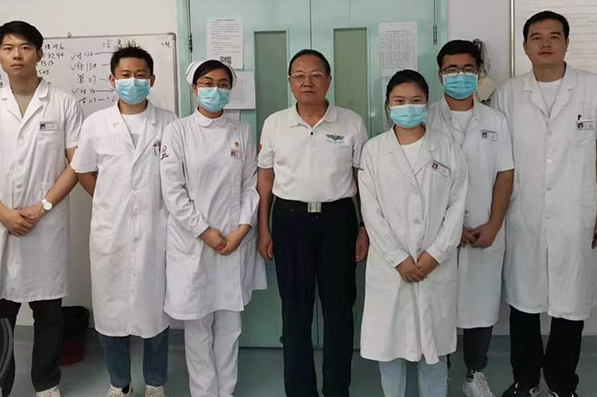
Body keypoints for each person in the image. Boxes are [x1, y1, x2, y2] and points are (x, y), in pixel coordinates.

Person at [492, 11, 597, 397]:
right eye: (536, 37)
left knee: (571, 302)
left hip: (574, 213)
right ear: (525, 46)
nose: (545, 43)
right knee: (523, 301)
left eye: (554, 36)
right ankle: (526, 380)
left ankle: (563, 383)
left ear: (567, 43)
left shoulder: (595, 88)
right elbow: (499, 160)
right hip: (523, 213)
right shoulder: (507, 94)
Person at [0, 21, 83, 397]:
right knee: (0, 314)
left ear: (39, 54)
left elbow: (76, 164)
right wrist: (2, 212)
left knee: (48, 311)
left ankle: (46, 384)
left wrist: (42, 207)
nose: (17, 55)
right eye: (8, 48)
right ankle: (1, 384)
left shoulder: (62, 103)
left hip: (45, 222)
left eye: (25, 47)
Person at [257, 49, 369, 397]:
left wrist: (364, 227)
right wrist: (264, 227)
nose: (308, 82)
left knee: (339, 311)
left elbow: (362, 179)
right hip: (289, 222)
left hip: (339, 221)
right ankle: (300, 390)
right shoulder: (275, 124)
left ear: (328, 81)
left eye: (316, 75)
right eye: (300, 75)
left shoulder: (351, 122)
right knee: (295, 311)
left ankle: (337, 389)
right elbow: (265, 178)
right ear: (290, 82)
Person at [71, 45, 174, 397]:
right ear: (112, 80)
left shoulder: (169, 122)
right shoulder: (96, 124)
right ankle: (119, 383)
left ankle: (155, 382)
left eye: (140, 75)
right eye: (125, 75)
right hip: (110, 231)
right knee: (111, 311)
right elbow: (83, 170)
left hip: (156, 228)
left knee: (155, 311)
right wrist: (109, 200)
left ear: (152, 80)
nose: (133, 81)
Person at [358, 69, 467, 397]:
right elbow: (371, 212)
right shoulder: (374, 150)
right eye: (400, 101)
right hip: (390, 266)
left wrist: (435, 254)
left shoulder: (447, 148)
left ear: (426, 104)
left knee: (433, 348)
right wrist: (399, 259)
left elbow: (457, 206)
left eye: (416, 100)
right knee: (389, 346)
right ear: (388, 105)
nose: (408, 107)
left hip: (435, 264)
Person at [160, 59, 266, 397]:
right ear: (194, 89)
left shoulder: (242, 131)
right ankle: (204, 392)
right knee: (198, 326)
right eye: (207, 83)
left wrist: (242, 228)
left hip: (234, 240)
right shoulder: (177, 131)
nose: (215, 90)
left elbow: (251, 185)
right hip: (193, 241)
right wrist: (205, 231)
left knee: (230, 326)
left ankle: (226, 390)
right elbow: (172, 191)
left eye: (222, 84)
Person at [428, 40, 514, 397]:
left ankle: (474, 374)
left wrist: (494, 224)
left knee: (481, 304)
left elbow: (505, 175)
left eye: (467, 69)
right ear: (440, 76)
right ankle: (438, 374)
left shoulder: (495, 120)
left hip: (483, 228)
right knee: (438, 304)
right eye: (451, 70)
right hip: (436, 231)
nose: (459, 76)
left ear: (478, 74)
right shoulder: (426, 117)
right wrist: (447, 229)